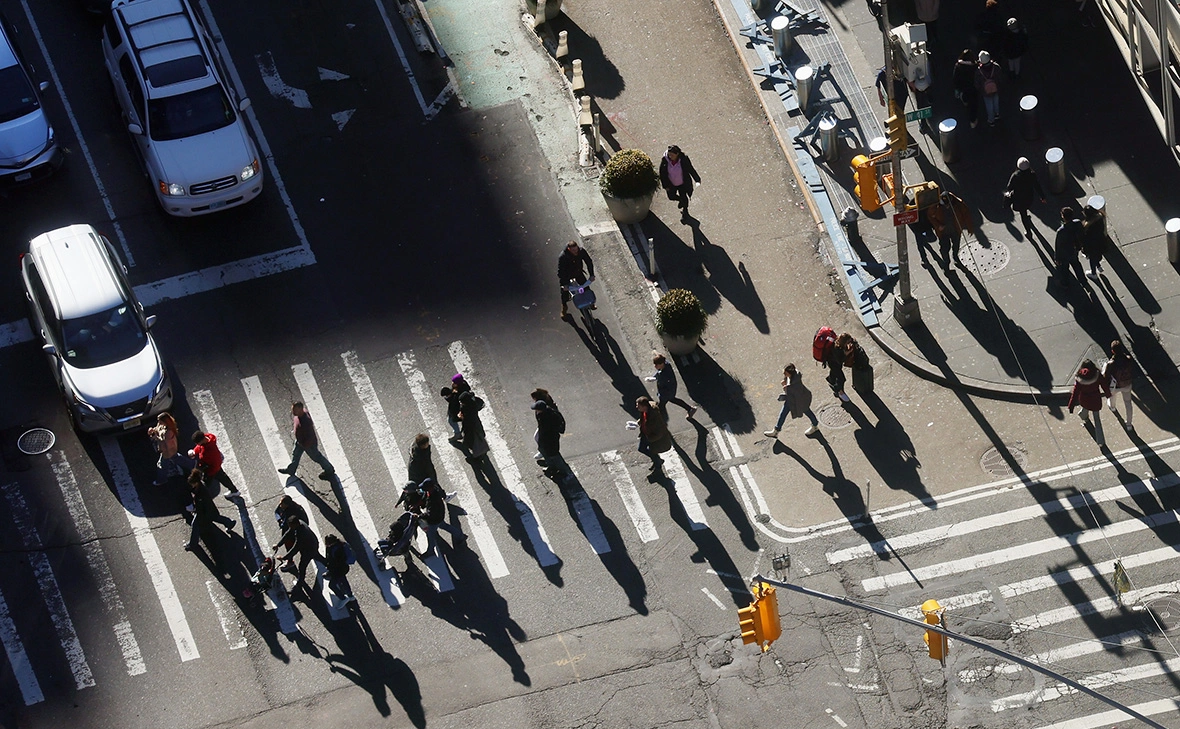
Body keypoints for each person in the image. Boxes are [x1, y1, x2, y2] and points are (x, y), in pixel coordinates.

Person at [277, 402, 335, 482]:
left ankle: (329, 470)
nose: (293, 412)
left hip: (308, 445)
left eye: (295, 410)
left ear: (300, 409)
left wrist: (305, 445)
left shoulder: (306, 421)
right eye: (292, 409)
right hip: (300, 441)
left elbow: (310, 437)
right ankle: (291, 469)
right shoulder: (299, 415)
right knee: (295, 455)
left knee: (317, 457)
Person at [404, 478, 462, 557]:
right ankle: (460, 535)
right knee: (445, 526)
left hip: (434, 520)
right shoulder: (432, 491)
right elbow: (424, 498)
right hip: (439, 516)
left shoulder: (433, 501)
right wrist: (417, 504)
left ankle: (430, 552)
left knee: (430, 536)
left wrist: (418, 516)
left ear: (429, 488)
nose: (423, 489)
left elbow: (429, 514)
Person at [764, 363, 819, 439]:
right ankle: (776, 430)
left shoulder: (794, 385)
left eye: (785, 373)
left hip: (800, 400)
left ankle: (815, 425)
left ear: (789, 373)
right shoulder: (793, 376)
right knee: (783, 413)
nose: (784, 374)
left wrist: (784, 386)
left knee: (806, 411)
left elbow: (790, 392)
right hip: (794, 399)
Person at [184, 471, 235, 552]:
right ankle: (229, 522)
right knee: (216, 518)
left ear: (196, 482)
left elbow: (201, 506)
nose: (191, 485)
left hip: (205, 512)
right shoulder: (201, 486)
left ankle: (193, 544)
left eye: (192, 484)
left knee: (195, 525)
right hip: (209, 510)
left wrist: (194, 509)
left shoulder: (201, 493)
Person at [1067, 359, 1112, 447]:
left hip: (1084, 399)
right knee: (1097, 419)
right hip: (1095, 399)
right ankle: (1100, 441)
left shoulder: (1080, 379)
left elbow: (1075, 393)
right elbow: (1104, 385)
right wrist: (1108, 394)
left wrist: (1071, 406)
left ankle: (1083, 416)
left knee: (1085, 408)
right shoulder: (1097, 375)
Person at [532, 391, 572, 484]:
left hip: (549, 441)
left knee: (554, 456)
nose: (535, 411)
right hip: (545, 439)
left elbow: (549, 430)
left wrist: (543, 439)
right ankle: (552, 467)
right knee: (547, 453)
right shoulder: (544, 414)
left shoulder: (548, 417)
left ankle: (564, 472)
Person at [925, 191, 973, 269]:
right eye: (945, 204)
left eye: (948, 204)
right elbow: (930, 216)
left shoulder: (958, 203)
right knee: (944, 249)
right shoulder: (935, 206)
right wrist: (938, 225)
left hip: (955, 230)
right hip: (943, 233)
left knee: (956, 245)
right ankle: (946, 264)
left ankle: (955, 257)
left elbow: (966, 214)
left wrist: (970, 227)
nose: (947, 206)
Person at [189, 430, 241, 500]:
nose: (197, 445)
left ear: (201, 440)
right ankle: (234, 490)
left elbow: (214, 462)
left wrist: (210, 473)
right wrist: (195, 451)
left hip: (212, 469)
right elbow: (199, 447)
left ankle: (200, 498)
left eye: (198, 443)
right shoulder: (209, 439)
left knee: (205, 483)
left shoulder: (208, 451)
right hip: (215, 466)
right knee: (223, 478)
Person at [272, 515, 323, 584]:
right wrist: (278, 544)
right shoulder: (299, 523)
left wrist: (284, 558)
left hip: (309, 550)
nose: (290, 527)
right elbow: (288, 533)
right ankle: (331, 567)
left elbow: (295, 548)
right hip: (312, 545)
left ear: (295, 524)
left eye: (290, 526)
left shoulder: (301, 533)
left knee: (302, 567)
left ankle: (300, 582)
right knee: (318, 557)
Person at [646, 353, 697, 420]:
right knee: (672, 400)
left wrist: (654, 378)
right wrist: (654, 377)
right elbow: (659, 372)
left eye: (656, 364)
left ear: (661, 364)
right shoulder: (666, 365)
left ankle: (658, 418)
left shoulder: (665, 374)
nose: (655, 366)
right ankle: (690, 409)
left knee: (662, 404)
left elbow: (660, 378)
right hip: (669, 390)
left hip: (666, 392)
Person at [148, 412, 192, 486]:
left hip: (167, 451)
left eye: (160, 421)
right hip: (170, 450)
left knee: (161, 465)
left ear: (165, 422)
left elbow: (166, 443)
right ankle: (192, 464)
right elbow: (157, 428)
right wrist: (152, 430)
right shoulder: (163, 426)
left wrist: (156, 437)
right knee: (177, 458)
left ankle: (161, 480)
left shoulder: (169, 432)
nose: (158, 423)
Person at [1103, 340, 1137, 431]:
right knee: (1128, 403)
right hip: (1127, 384)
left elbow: (1106, 376)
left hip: (1115, 385)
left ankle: (1113, 407)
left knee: (1112, 397)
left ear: (1112, 351)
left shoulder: (1111, 364)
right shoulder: (1128, 359)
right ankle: (1129, 424)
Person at [633, 396, 673, 474]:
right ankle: (657, 460)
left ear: (644, 407)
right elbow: (643, 418)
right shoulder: (645, 411)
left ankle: (658, 466)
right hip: (646, 434)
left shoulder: (654, 417)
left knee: (652, 451)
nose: (636, 407)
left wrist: (650, 439)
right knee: (641, 448)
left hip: (652, 437)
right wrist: (637, 423)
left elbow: (659, 433)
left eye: (638, 406)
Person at [1005, 157, 1045, 235]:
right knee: (1026, 208)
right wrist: (1042, 197)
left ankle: (1028, 232)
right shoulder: (1032, 174)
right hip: (1029, 197)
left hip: (1019, 199)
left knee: (1023, 214)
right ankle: (1027, 218)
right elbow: (1037, 186)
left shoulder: (1015, 175)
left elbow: (1009, 187)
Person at [658, 145, 702, 217]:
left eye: (672, 155)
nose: (670, 157)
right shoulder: (665, 160)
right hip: (671, 184)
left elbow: (690, 169)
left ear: (677, 154)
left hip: (682, 183)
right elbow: (662, 173)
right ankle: (680, 200)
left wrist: (697, 179)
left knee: (684, 197)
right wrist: (665, 185)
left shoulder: (684, 159)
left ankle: (685, 210)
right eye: (669, 155)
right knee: (671, 196)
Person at [558, 240, 595, 320]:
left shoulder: (581, 251)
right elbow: (561, 272)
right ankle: (564, 308)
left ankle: (590, 304)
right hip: (567, 275)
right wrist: (564, 285)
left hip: (577, 272)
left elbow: (589, 262)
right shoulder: (563, 257)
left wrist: (591, 274)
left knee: (586, 287)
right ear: (569, 249)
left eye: (576, 249)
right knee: (564, 294)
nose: (576, 251)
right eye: (573, 250)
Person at [1053, 207, 1086, 287]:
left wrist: (1057, 258)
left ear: (1063, 216)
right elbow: (1082, 234)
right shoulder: (1077, 223)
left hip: (1065, 253)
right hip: (1074, 250)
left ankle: (1065, 283)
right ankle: (1083, 280)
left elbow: (1058, 246)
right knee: (1076, 264)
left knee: (1064, 268)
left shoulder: (1061, 231)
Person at [458, 390, 491, 467]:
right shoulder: (472, 405)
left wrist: (461, 417)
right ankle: (482, 454)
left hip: (471, 430)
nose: (460, 403)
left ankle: (477, 458)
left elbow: (467, 422)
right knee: (479, 440)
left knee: (473, 443)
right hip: (477, 426)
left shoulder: (466, 409)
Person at [322, 534, 356, 605]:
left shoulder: (337, 550)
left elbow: (336, 562)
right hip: (342, 569)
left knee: (332, 585)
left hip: (338, 571)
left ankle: (343, 598)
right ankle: (350, 595)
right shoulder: (337, 546)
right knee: (343, 580)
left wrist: (331, 570)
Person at [952, 50, 980, 129]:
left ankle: (965, 101)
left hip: (963, 88)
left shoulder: (958, 66)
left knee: (966, 98)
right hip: (973, 88)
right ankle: (973, 121)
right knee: (973, 105)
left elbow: (955, 78)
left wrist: (956, 88)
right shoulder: (974, 66)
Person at [975, 50, 1002, 127]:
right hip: (996, 88)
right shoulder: (996, 66)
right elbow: (1000, 77)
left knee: (989, 104)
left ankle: (991, 120)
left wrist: (979, 90)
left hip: (985, 92)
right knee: (996, 101)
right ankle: (997, 114)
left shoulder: (979, 71)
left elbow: (977, 83)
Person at [1081, 205, 1108, 280]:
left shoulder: (1087, 226)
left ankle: (1093, 273)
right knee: (1096, 256)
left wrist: (1084, 249)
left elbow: (1085, 239)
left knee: (1092, 259)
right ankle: (1098, 266)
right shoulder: (1100, 218)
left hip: (1092, 246)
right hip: (1100, 242)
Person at [442, 374, 471, 440]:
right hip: (457, 409)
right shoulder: (463, 386)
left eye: (454, 382)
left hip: (456, 410)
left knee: (451, 421)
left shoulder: (457, 393)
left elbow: (454, 402)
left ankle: (457, 434)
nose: (452, 383)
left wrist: (448, 397)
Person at [826, 333, 853, 402]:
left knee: (834, 373)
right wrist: (847, 353)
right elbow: (840, 360)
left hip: (831, 362)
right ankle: (839, 392)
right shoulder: (838, 350)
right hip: (834, 364)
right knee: (841, 379)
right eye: (848, 342)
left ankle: (831, 379)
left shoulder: (836, 343)